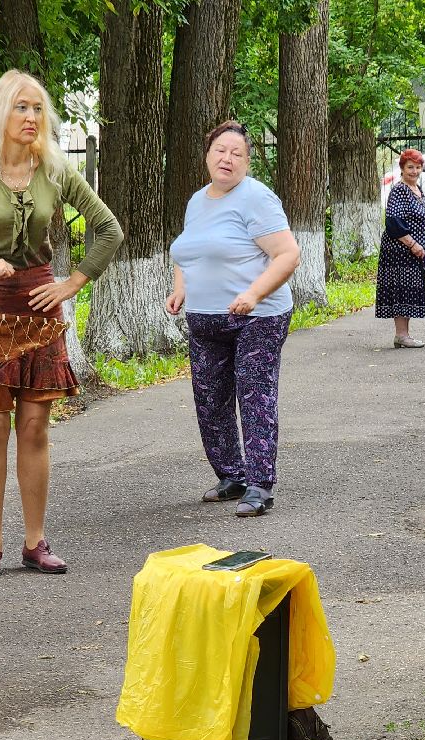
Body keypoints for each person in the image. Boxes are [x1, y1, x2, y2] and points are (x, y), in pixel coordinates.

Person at [0, 69, 123, 576]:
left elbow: (109, 228)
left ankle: (35, 542)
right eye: (21, 107)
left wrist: (71, 283)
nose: (31, 118)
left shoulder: (55, 169)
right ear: (1, 112)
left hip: (40, 307)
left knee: (36, 427)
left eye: (38, 109)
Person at [166, 120, 300, 518]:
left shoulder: (256, 198)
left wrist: (254, 293)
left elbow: (288, 254)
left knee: (253, 393)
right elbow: (188, 252)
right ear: (207, 155)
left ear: (246, 161)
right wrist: (180, 287)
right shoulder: (197, 201)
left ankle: (260, 485)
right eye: (221, 150)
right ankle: (231, 476)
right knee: (210, 399)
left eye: (237, 153)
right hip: (206, 321)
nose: (228, 158)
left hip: (257, 316)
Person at [374, 148, 425, 349]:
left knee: (410, 291)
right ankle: (402, 335)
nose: (415, 171)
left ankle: (403, 335)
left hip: (415, 252)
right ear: (402, 168)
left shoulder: (417, 189)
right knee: (402, 291)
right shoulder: (399, 190)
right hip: (401, 251)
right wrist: (413, 244)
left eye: (418, 167)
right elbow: (393, 222)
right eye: (410, 167)